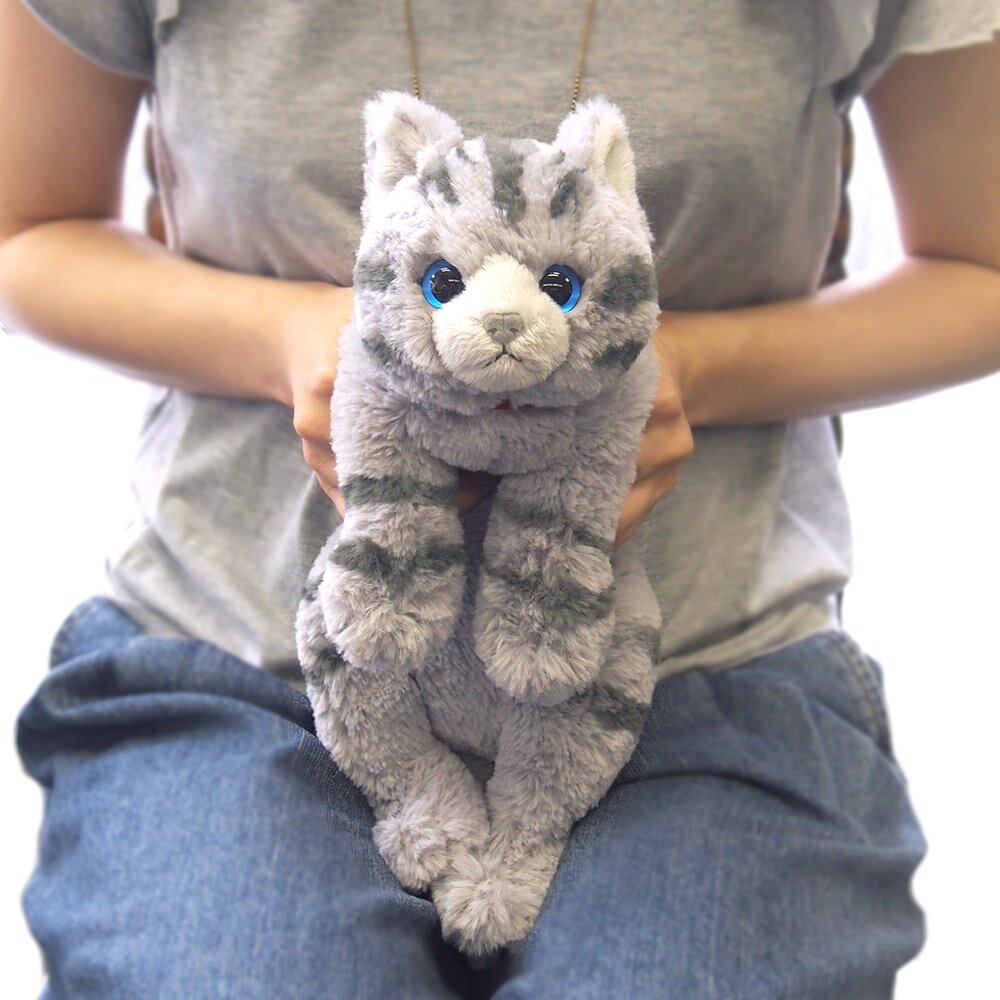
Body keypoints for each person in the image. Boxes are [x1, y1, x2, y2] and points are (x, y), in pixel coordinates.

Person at [3, 0, 998, 996]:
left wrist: (677, 372)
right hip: (235, 654)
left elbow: (978, 266)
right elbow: (26, 231)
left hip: (709, 669)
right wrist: (293, 341)